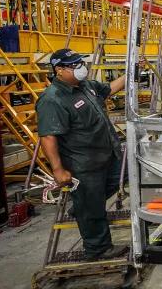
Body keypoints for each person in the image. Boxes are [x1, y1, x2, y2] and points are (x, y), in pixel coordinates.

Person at [36, 49, 128, 260]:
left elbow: (109, 89)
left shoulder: (85, 86)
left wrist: (132, 71)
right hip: (83, 163)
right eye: (74, 65)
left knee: (128, 173)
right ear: (59, 70)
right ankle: (99, 248)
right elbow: (48, 136)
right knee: (92, 206)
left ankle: (82, 206)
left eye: (80, 63)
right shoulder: (53, 99)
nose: (81, 68)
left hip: (108, 154)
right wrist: (58, 170)